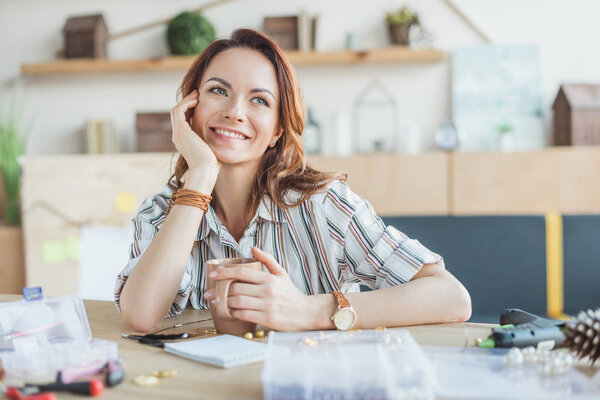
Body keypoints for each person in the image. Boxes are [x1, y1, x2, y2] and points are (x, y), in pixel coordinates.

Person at [115, 28, 471, 333]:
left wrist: (307, 311)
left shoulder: (325, 205)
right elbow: (142, 316)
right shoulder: (162, 211)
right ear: (189, 109)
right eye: (218, 91)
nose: (235, 112)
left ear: (276, 131)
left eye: (259, 100)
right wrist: (203, 173)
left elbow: (450, 296)